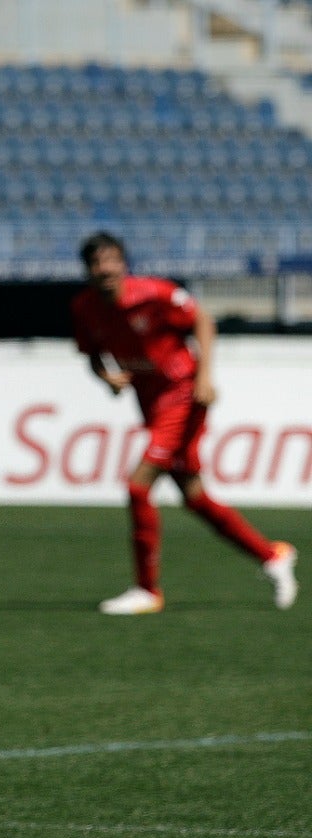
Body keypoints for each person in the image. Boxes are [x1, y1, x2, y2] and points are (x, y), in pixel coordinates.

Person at [72, 231, 297, 614]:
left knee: (137, 485)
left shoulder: (155, 294)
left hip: (182, 393)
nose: (104, 268)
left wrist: (206, 376)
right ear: (88, 270)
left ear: (124, 264)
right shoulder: (85, 308)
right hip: (150, 399)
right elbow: (92, 355)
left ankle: (148, 590)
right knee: (194, 496)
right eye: (96, 262)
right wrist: (106, 377)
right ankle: (272, 555)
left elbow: (202, 320)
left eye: (111, 259)